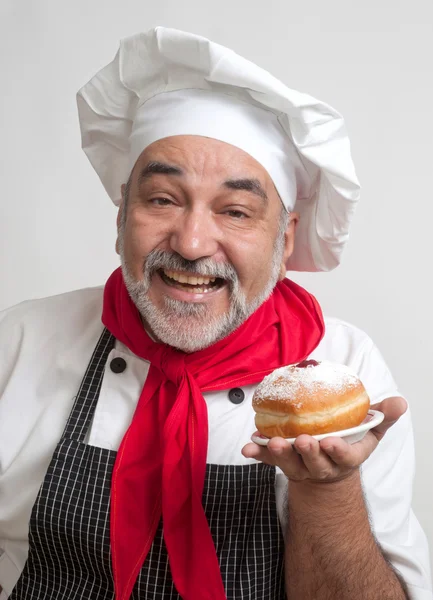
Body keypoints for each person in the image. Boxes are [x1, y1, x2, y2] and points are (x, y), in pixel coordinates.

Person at [0, 26, 431, 600]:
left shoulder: (347, 376)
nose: (193, 242)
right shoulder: (23, 342)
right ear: (121, 212)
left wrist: (328, 490)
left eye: (235, 211)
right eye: (161, 200)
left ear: (284, 244)